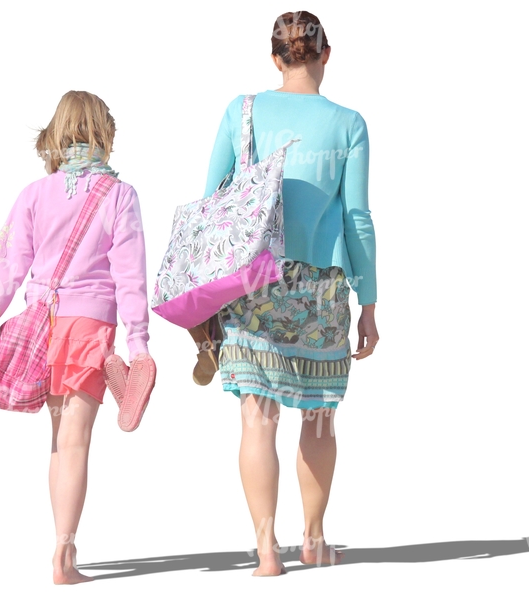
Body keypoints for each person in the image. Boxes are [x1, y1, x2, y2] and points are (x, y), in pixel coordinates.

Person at [203, 12, 378, 576]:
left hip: (254, 281)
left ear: (275, 58)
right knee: (319, 417)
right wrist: (369, 301)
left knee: (257, 418)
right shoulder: (349, 123)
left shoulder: (241, 111)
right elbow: (357, 218)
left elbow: (212, 205)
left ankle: (264, 552)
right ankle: (313, 538)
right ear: (327, 54)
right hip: (321, 287)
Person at [0, 91, 155, 584]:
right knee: (76, 441)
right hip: (90, 327)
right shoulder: (121, 195)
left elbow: (5, 267)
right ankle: (65, 556)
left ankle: (62, 552)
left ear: (57, 132)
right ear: (104, 133)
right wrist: (138, 345)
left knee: (57, 439)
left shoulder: (33, 194)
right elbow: (129, 276)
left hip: (42, 328)